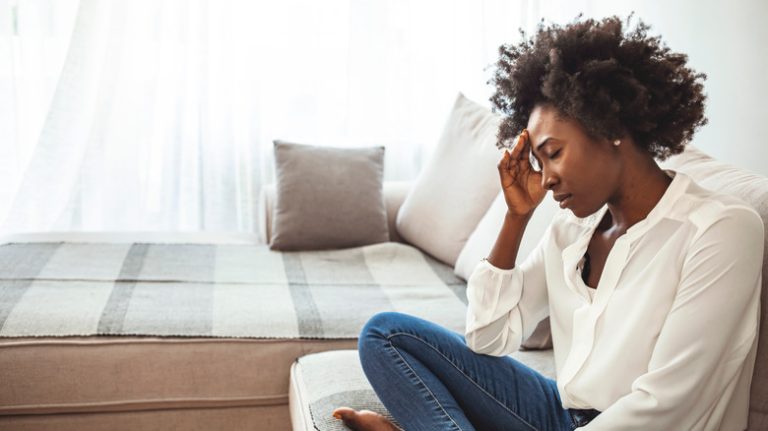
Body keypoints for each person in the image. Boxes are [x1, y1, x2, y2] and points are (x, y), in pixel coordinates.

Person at [332, 14, 763, 431]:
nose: (547, 177)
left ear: (611, 128)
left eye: (553, 153)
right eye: (538, 161)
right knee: (385, 335)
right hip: (559, 414)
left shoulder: (721, 229)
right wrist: (516, 217)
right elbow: (488, 337)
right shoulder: (572, 231)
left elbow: (670, 404)